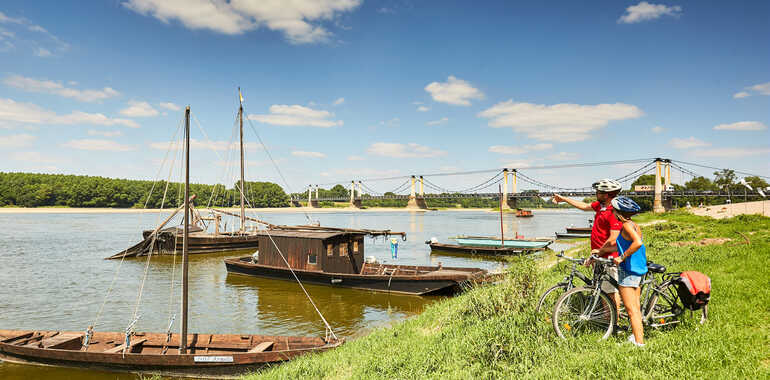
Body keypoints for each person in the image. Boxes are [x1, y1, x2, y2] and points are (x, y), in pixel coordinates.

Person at [553, 179, 623, 312]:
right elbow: (584, 206)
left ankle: (614, 325)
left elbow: (613, 239)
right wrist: (564, 199)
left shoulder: (613, 211)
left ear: (606, 194)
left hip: (609, 258)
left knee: (611, 292)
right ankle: (606, 318)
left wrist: (599, 252)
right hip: (599, 256)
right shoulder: (601, 207)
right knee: (601, 289)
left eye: (598, 191)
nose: (596, 193)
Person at [598, 196, 647, 347]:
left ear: (619, 213)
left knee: (631, 310)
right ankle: (636, 337)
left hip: (628, 270)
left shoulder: (625, 226)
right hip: (638, 270)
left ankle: (639, 344)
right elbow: (626, 244)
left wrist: (621, 257)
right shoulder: (633, 225)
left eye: (613, 210)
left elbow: (637, 243)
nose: (611, 212)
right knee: (636, 309)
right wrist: (602, 251)